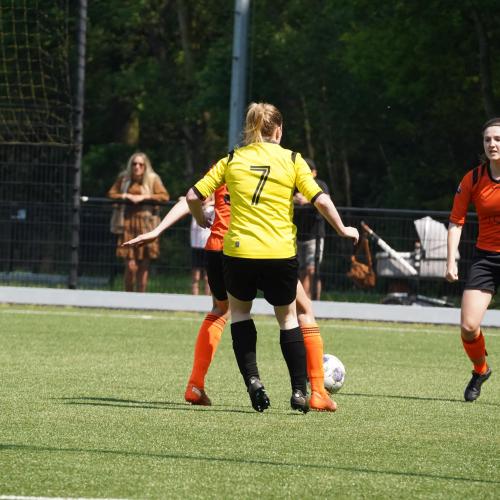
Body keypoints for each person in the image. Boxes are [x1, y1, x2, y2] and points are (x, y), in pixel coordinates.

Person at [186, 102, 359, 413]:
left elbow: (192, 196)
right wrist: (343, 229)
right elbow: (320, 199)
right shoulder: (292, 159)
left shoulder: (232, 159)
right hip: (279, 252)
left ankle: (254, 381)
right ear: (278, 130)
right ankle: (299, 391)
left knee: (240, 315)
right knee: (289, 318)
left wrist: (200, 219)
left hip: (238, 251)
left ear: (251, 129)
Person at [123, 186, 339, 411]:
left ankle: (195, 384)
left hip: (217, 246)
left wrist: (158, 230)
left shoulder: (223, 168)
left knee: (220, 309)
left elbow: (190, 198)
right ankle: (317, 391)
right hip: (255, 248)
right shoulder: (265, 167)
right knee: (301, 310)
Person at [445, 117, 500, 402]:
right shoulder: (473, 179)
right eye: (488, 139)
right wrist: (450, 261)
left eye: (498, 139)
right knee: (468, 327)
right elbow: (456, 222)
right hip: (486, 259)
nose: (493, 144)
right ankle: (481, 370)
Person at [108, 152, 169, 292]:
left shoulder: (153, 179)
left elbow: (164, 196)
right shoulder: (124, 178)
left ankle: (141, 297)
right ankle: (128, 297)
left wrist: (145, 197)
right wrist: (126, 195)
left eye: (141, 164)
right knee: (130, 266)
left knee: (143, 266)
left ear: (145, 166)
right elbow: (111, 194)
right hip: (127, 224)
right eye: (134, 164)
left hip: (146, 224)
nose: (137, 167)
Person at [293, 158, 329, 299]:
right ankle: (304, 301)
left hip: (315, 235)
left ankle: (315, 300)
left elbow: (326, 200)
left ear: (314, 173)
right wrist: (295, 199)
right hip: (298, 235)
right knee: (302, 271)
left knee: (313, 270)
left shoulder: (320, 185)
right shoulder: (295, 186)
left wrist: (307, 200)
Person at [189, 196, 213, 295]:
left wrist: (210, 203)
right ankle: (194, 298)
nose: (204, 198)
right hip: (196, 245)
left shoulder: (212, 209)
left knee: (208, 277)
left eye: (207, 196)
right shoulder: (195, 208)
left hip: (207, 246)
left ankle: (207, 298)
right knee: (195, 276)